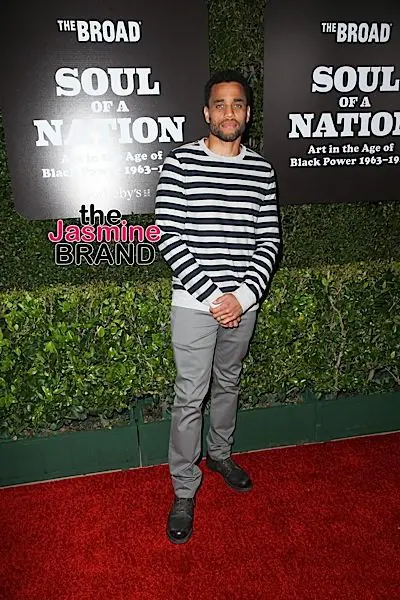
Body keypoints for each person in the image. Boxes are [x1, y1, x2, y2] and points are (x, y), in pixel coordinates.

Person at [155, 70, 281, 544]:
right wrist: (214, 297)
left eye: (238, 104)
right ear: (207, 112)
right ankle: (184, 488)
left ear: (248, 113)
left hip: (242, 304)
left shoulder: (262, 170)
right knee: (191, 395)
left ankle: (221, 454)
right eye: (221, 104)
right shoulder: (180, 163)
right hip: (194, 303)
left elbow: (269, 241)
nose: (230, 112)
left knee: (229, 381)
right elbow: (169, 236)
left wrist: (242, 297)